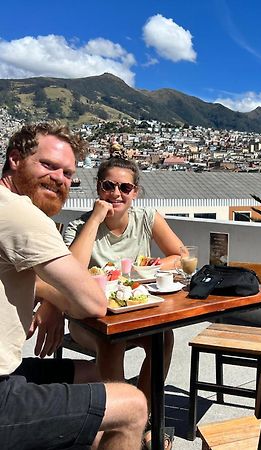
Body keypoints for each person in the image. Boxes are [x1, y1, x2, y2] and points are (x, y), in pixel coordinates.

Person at [0, 123, 147, 450]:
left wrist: (45, 295)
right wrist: (55, 297)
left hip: (10, 371)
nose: (59, 178)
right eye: (48, 165)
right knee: (132, 404)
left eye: (68, 173)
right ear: (14, 159)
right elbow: (92, 303)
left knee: (97, 375)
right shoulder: (20, 213)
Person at [63, 147, 184, 444]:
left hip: (134, 312)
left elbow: (179, 255)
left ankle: (143, 417)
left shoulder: (146, 218)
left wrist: (152, 265)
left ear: (135, 192)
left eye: (125, 187)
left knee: (163, 338)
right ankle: (114, 425)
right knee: (112, 342)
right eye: (109, 186)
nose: (116, 193)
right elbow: (71, 272)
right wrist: (95, 218)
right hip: (88, 320)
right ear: (98, 188)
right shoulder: (79, 226)